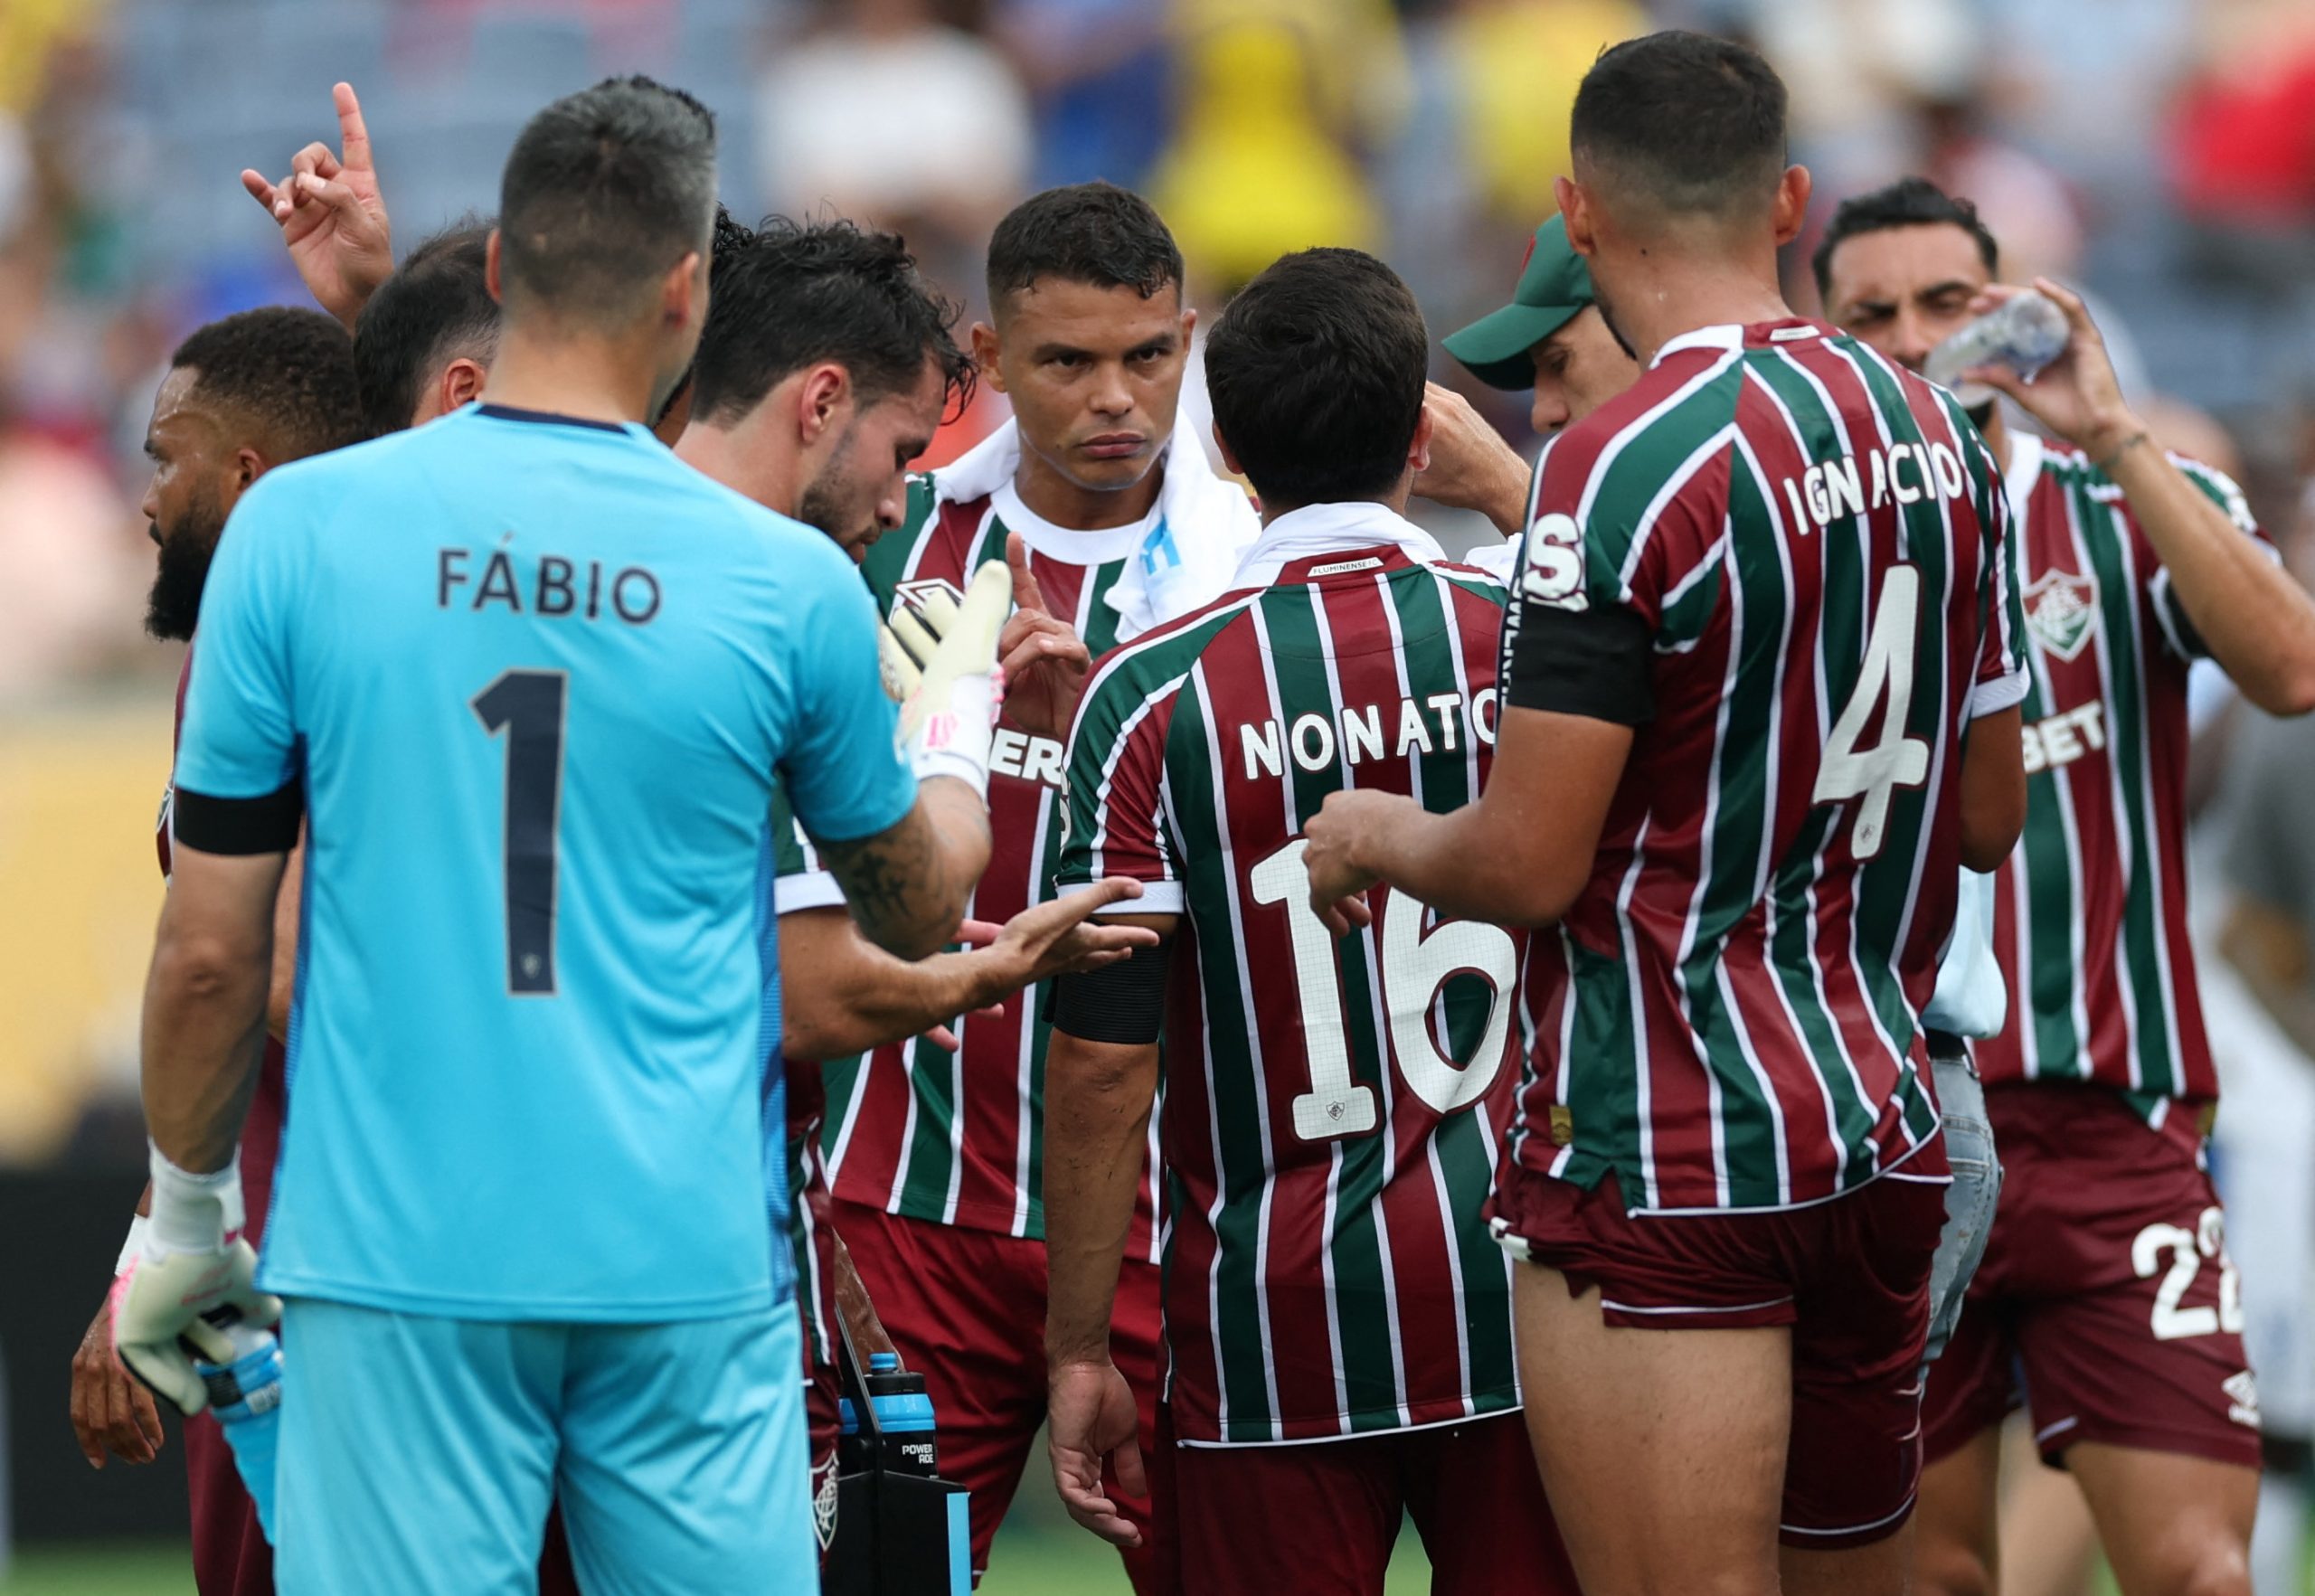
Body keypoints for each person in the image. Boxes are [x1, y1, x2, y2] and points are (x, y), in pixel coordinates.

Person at [109, 78, 999, 1594]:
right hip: (683, 1264)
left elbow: (211, 959)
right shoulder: (781, 582)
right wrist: (962, 712)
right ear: (689, 293)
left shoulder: (294, 532)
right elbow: (913, 910)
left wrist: (183, 1217)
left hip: (396, 1264)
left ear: (504, 271)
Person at [1300, 32, 2028, 1596]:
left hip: (1671, 1138)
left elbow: (1525, 860)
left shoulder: (1615, 467)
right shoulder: (1939, 439)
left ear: (1577, 211)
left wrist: (1371, 834)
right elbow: (1987, 811)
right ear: (1790, 199)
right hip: (1883, 1126)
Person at [1039, 245, 1579, 1596]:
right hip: (1537, 1290)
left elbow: (1105, 1061)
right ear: (1419, 435)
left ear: (1220, 445)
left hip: (1270, 1319)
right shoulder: (1538, 636)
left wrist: (1081, 1344)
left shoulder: (1147, 697)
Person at [1816, 175, 2315, 1596]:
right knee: (1938, 1581)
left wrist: (2114, 432)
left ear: (2006, 314)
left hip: (2116, 1130)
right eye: (1873, 314)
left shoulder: (2120, 498)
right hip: (1892, 1135)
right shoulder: (1806, 547)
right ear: (1827, 335)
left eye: (1945, 304)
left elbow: (2292, 667)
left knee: (2203, 1574)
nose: (1914, 338)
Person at [821, 179, 1261, 1589]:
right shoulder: (892, 539)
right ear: (991, 357)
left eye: (1148, 355)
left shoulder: (1244, 563)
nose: (1117, 397)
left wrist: (1115, 743)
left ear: (1188, 338)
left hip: (1162, 1214)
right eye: (1068, 362)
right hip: (914, 1202)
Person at [66, 306, 364, 1596]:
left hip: (308, 1280)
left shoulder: (277, 651)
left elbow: (247, 976)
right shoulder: (385, 625)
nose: (147, 500)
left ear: (246, 474)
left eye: (167, 458)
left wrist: (157, 1251)